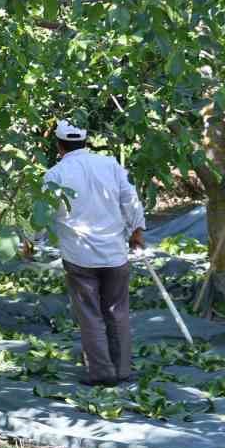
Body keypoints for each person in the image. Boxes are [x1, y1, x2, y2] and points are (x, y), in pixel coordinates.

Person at [37, 120, 147, 386]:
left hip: (79, 256)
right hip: (114, 253)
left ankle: (101, 373)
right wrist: (137, 230)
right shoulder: (110, 165)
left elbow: (42, 213)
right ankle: (122, 370)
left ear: (59, 145)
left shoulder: (55, 174)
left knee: (90, 314)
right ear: (85, 141)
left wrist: (31, 240)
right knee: (117, 311)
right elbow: (129, 198)